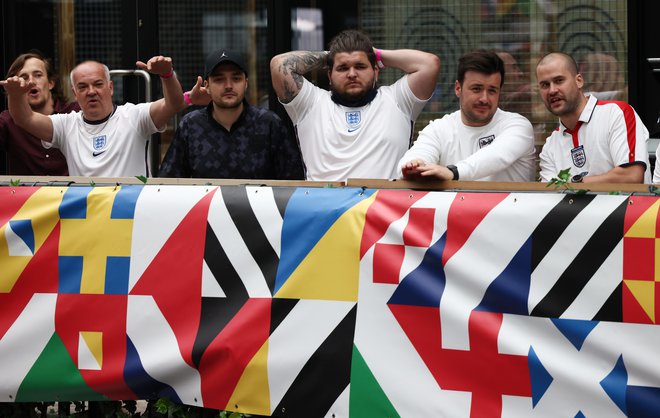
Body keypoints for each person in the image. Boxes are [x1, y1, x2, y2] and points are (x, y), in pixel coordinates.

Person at [270, 29, 440, 181]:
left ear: (375, 71)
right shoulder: (310, 103)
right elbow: (280, 65)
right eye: (342, 68)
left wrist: (376, 54)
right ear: (329, 75)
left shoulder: (398, 100)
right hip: (324, 212)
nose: (352, 74)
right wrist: (331, 56)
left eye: (360, 66)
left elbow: (429, 64)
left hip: (383, 212)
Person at [1, 55, 186, 177]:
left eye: (98, 84)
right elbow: (24, 119)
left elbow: (174, 104)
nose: (91, 92)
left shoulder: (134, 116)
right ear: (75, 93)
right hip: (88, 223)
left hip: (132, 218)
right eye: (82, 87)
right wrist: (16, 95)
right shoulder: (66, 125)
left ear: (110, 88)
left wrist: (167, 75)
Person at [159, 49, 304, 179]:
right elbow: (168, 184)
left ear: (246, 83)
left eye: (236, 78)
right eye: (219, 79)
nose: (228, 85)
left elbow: (293, 183)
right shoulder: (190, 126)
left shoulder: (269, 123)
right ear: (207, 86)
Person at [398, 50, 536, 182]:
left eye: (492, 90)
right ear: (458, 88)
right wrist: (414, 166)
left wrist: (452, 172)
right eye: (476, 89)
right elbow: (410, 161)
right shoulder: (438, 129)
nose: (484, 98)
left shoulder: (518, 126)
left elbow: (497, 156)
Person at [535, 52, 650, 184]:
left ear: (579, 81)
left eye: (559, 80)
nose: (552, 90)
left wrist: (576, 183)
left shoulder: (616, 114)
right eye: (545, 85)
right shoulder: (550, 146)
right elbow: (550, 195)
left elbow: (631, 176)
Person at [0, 52, 79, 175]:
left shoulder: (74, 113)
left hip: (69, 193)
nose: (31, 81)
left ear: (51, 83)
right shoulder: (8, 120)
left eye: (38, 75)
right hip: (26, 194)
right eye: (24, 78)